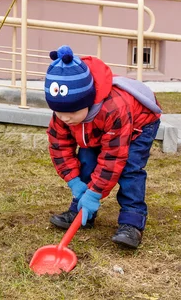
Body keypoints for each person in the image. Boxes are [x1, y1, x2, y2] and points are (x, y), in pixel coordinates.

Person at [44, 45, 161, 249]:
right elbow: (59, 147)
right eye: (58, 112)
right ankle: (82, 212)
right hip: (98, 127)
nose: (63, 118)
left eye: (70, 113)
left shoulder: (113, 109)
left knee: (129, 169)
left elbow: (113, 158)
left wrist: (95, 192)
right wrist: (74, 181)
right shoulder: (63, 114)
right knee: (87, 162)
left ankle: (131, 223)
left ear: (87, 101)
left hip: (138, 124)